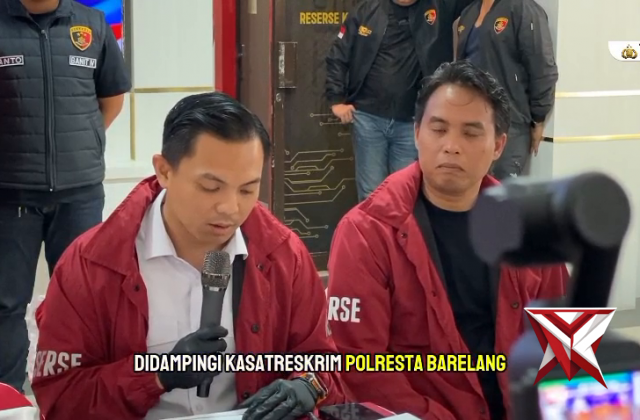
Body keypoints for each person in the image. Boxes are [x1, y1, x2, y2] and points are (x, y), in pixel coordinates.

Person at [31, 92, 348, 420]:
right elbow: (61, 399)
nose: (230, 207)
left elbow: (326, 365)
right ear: (164, 171)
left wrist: (308, 385)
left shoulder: (283, 254)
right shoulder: (92, 264)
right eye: (211, 187)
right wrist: (157, 375)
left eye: (247, 189)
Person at [326, 61, 568, 420]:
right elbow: (360, 367)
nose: (451, 146)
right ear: (416, 134)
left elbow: (567, 345)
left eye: (471, 133)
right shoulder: (366, 233)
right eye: (438, 129)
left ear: (498, 145)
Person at [0, 0, 131, 392]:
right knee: (6, 304)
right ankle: (8, 396)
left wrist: (80, 143)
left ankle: (75, 390)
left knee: (80, 301)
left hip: (80, 195)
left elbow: (112, 98)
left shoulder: (93, 23)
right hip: (10, 193)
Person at [325, 0, 474, 201]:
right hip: (369, 119)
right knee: (371, 195)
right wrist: (336, 99)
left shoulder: (440, 6)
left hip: (412, 122)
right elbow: (338, 55)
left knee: (405, 195)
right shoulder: (367, 10)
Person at [455, 0, 558, 179]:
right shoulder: (469, 13)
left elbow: (542, 68)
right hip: (470, 122)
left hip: (509, 123)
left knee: (502, 192)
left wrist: (539, 117)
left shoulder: (524, 9)